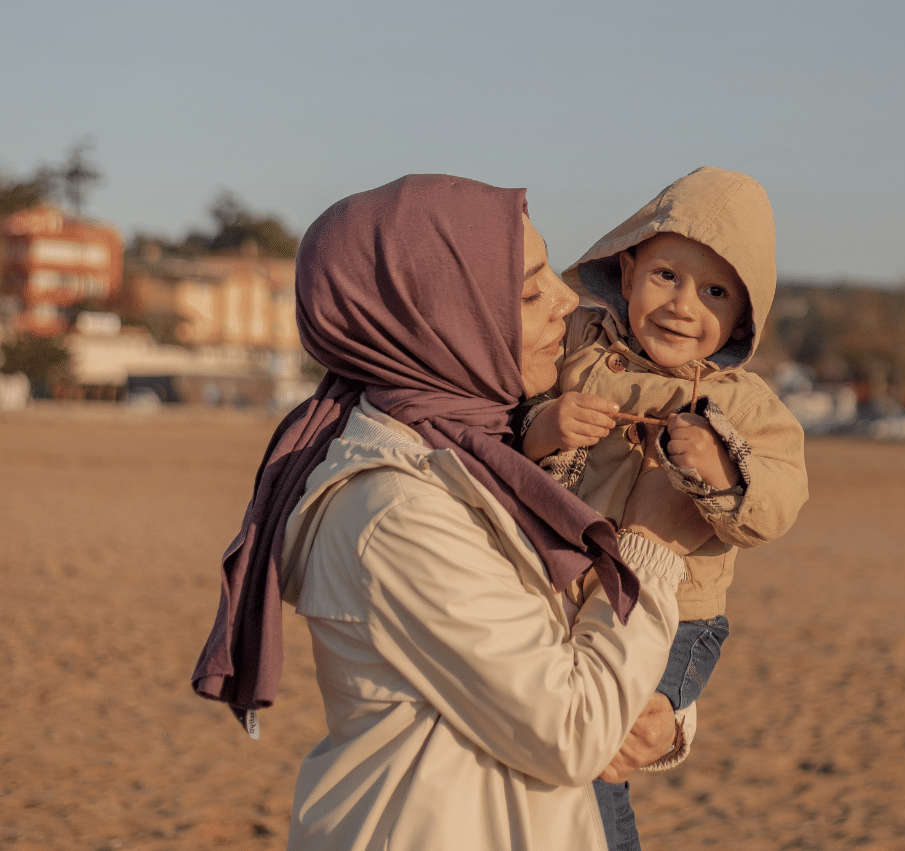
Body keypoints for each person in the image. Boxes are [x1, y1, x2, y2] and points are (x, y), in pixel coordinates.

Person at [191, 174, 713, 850]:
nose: (565, 298)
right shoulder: (394, 509)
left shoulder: (484, 452)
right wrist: (651, 543)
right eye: (528, 289)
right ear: (440, 317)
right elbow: (571, 726)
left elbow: (561, 651)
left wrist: (667, 713)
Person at [514, 166, 810, 842]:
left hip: (678, 616)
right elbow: (514, 423)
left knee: (604, 757)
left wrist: (722, 471)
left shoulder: (739, 403)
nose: (683, 305)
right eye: (666, 276)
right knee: (572, 747)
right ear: (625, 273)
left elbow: (781, 499)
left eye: (714, 292)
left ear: (744, 314)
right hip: (569, 594)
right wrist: (545, 427)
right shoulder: (582, 343)